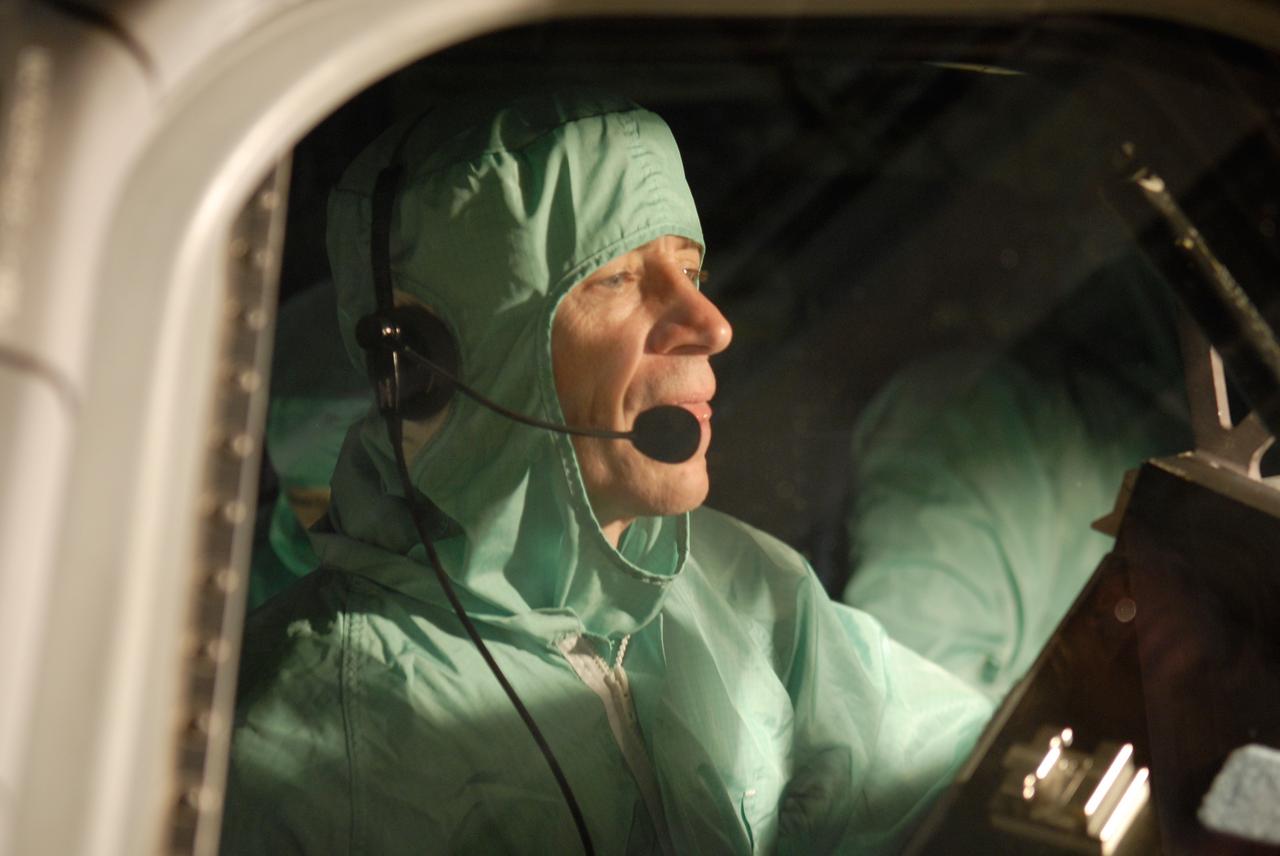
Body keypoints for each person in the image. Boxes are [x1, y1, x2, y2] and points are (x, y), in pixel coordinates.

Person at [221, 88, 992, 854]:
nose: (712, 325)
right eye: (618, 279)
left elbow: (971, 779)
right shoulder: (307, 761)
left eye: (691, 269)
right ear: (425, 365)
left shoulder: (740, 588)